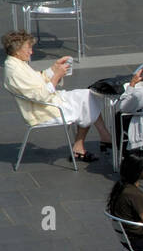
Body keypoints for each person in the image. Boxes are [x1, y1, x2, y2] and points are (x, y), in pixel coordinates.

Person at [4, 30, 112, 163]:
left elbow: (38, 79)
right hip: (42, 111)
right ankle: (87, 145)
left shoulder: (16, 63)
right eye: (28, 48)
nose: (31, 52)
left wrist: (54, 68)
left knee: (89, 95)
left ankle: (103, 137)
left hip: (47, 101)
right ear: (17, 50)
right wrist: (57, 76)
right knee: (86, 104)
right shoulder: (15, 71)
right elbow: (41, 96)